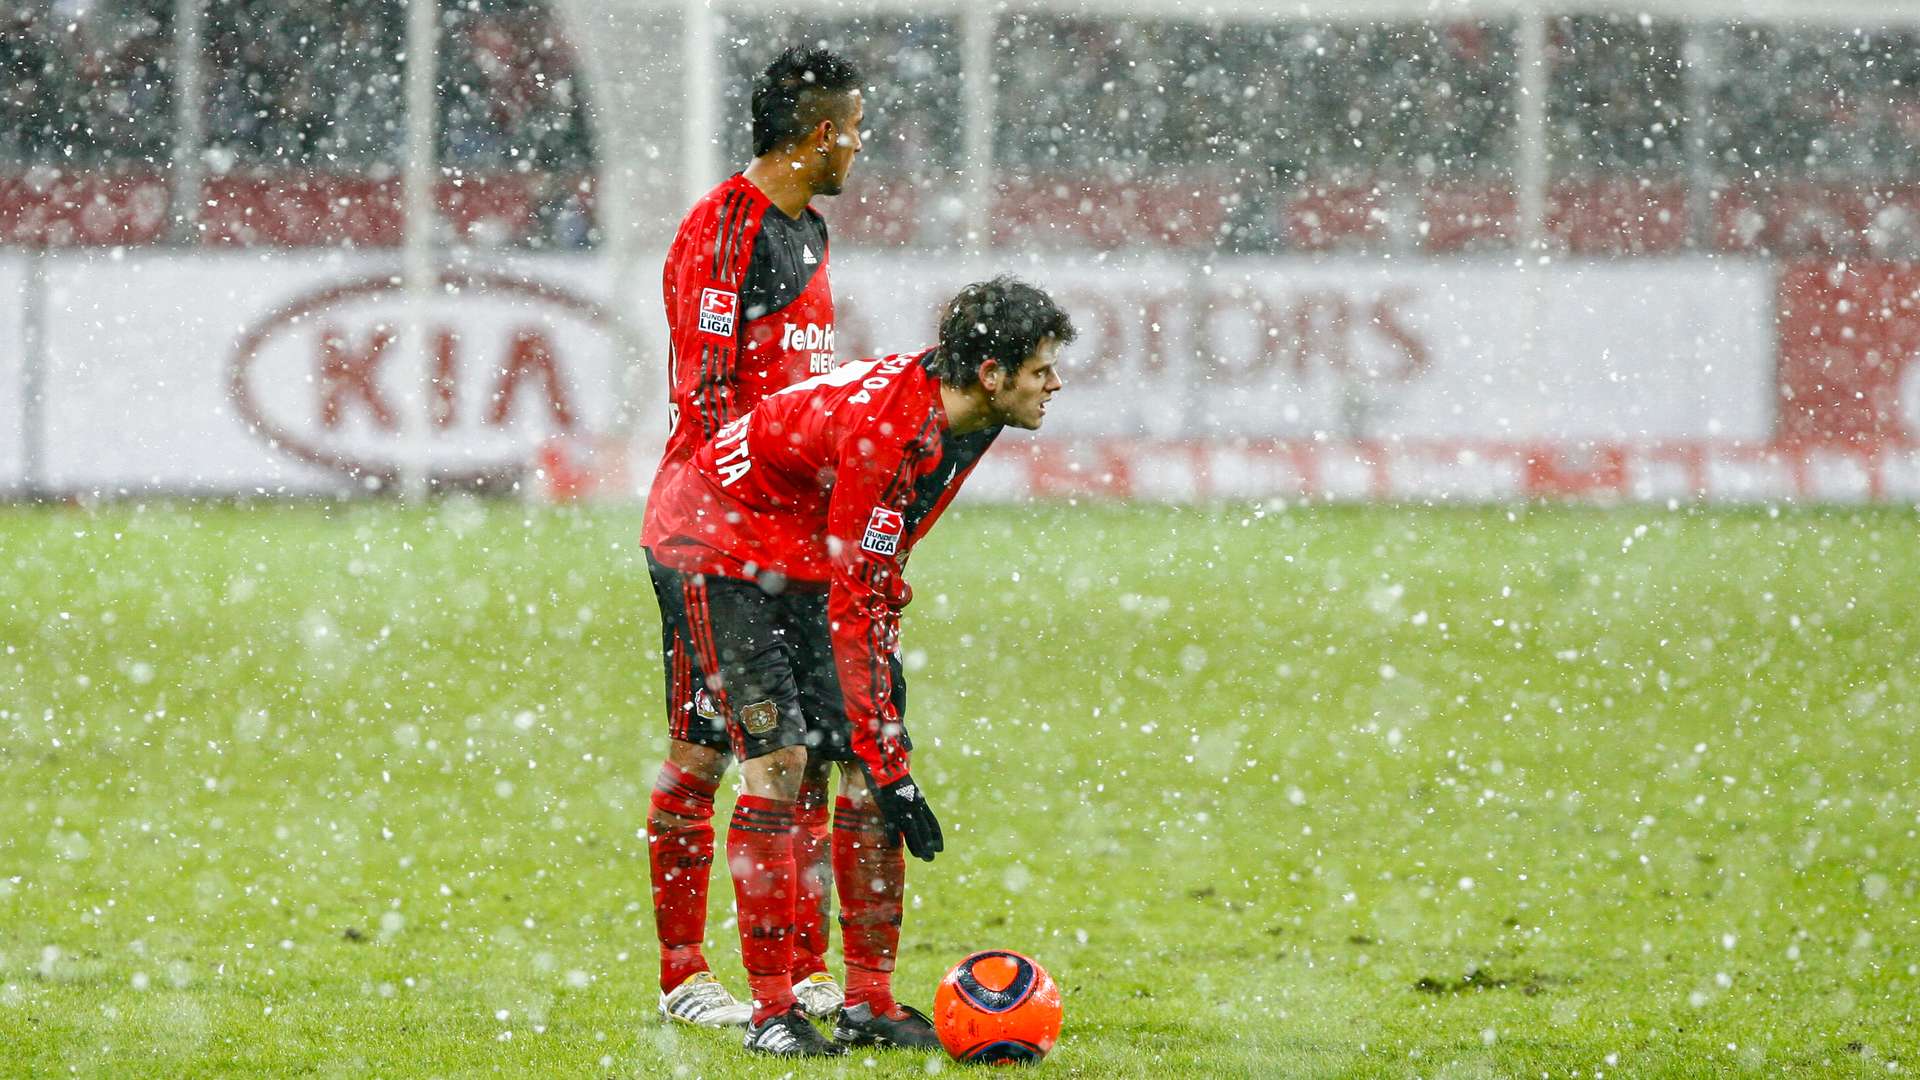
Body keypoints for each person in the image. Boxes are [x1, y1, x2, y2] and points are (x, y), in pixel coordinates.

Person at [649, 277, 1074, 1056]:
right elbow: (859, 599)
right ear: (992, 373)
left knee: (865, 777)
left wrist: (888, 764)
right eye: (1042, 368)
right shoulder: (896, 431)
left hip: (804, 550)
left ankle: (867, 1002)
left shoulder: (968, 418)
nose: (1055, 383)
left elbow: (877, 570)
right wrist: (891, 758)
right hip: (714, 540)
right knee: (777, 761)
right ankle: (774, 1014)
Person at [641, 44, 864, 1029]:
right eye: (855, 129)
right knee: (720, 757)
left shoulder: (808, 231)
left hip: (794, 545)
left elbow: (798, 392)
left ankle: (803, 969)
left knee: (805, 757)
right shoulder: (722, 232)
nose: (862, 148)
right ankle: (690, 978)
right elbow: (710, 401)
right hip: (718, 545)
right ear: (819, 135)